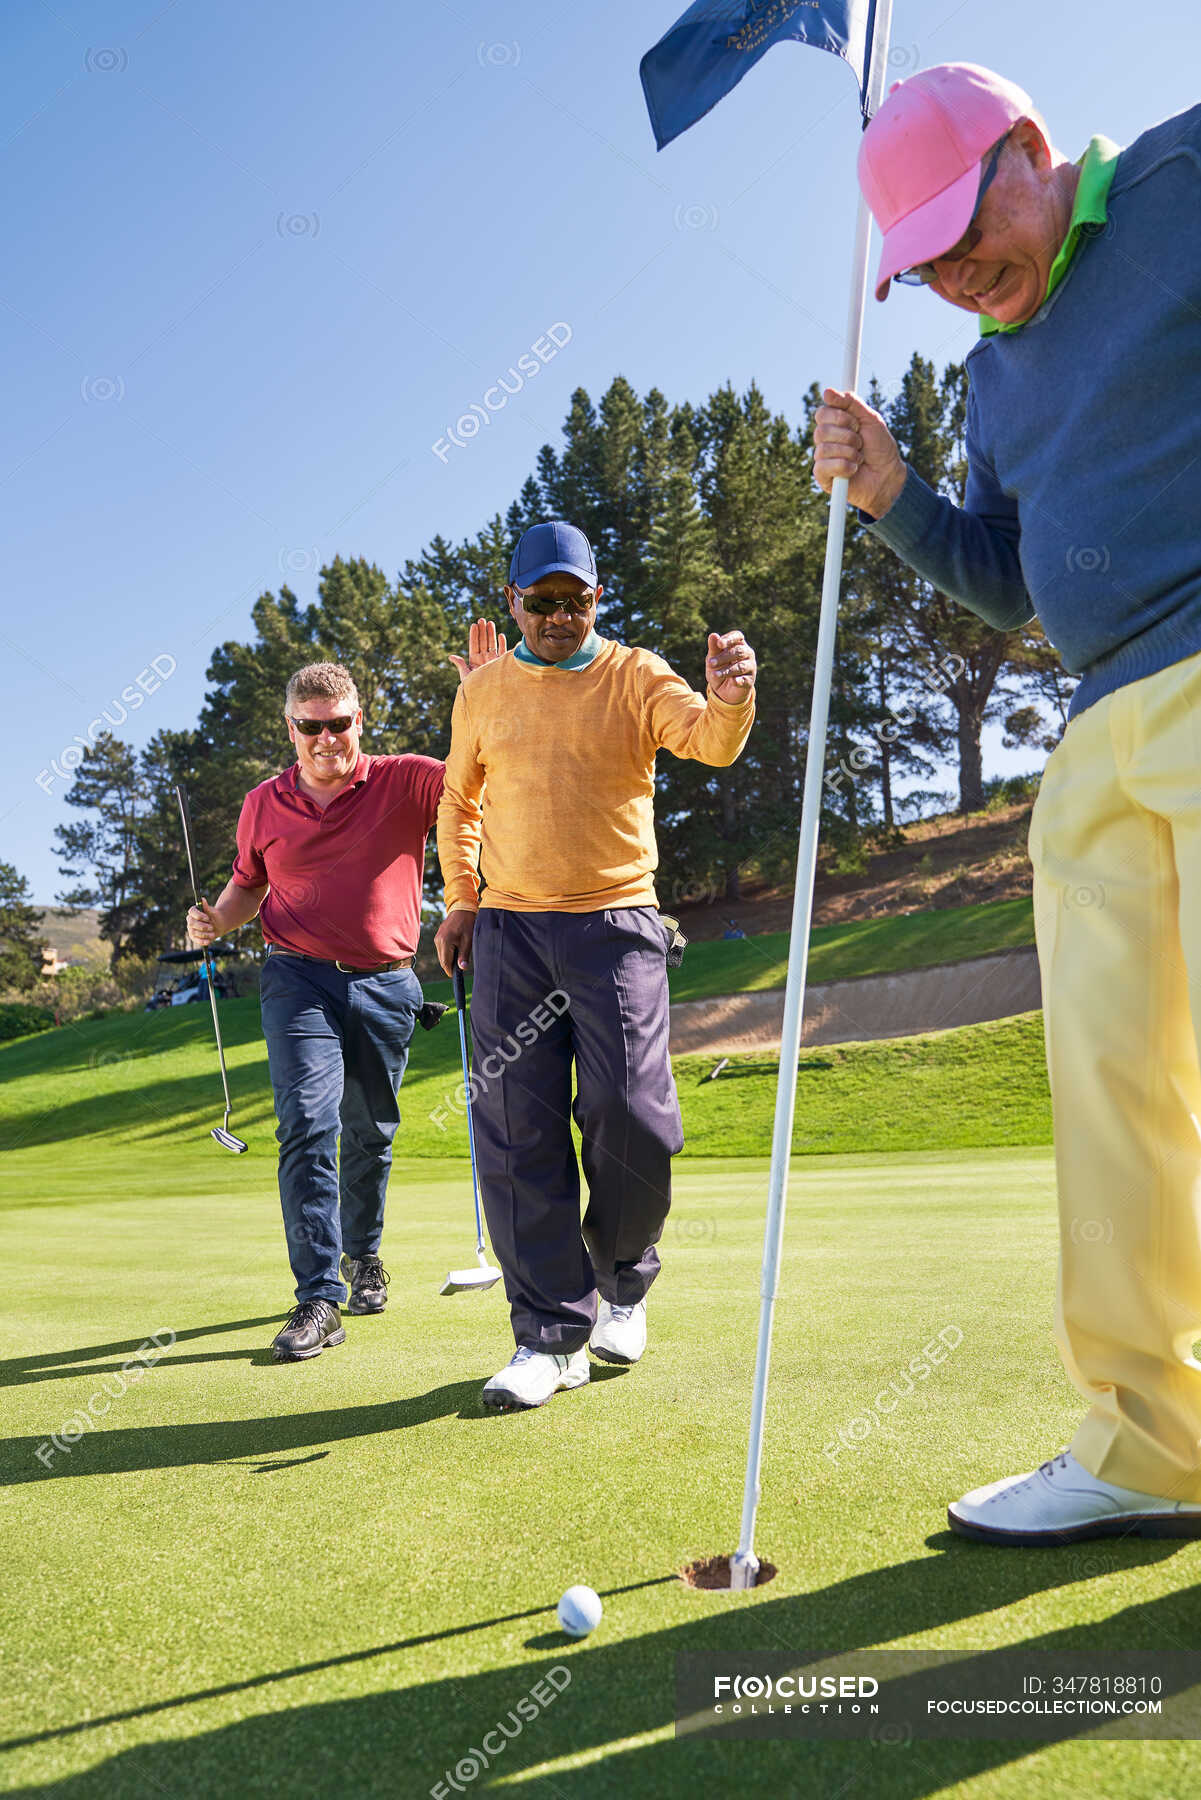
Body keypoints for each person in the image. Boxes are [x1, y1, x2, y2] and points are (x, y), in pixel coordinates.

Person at [814, 63, 1201, 1543]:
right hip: (1095, 727)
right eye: (932, 270)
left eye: (972, 238)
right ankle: (1154, 1445)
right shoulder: (990, 371)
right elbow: (1007, 587)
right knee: (1115, 1111)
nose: (965, 280)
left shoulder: (1177, 185)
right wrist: (898, 493)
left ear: (1033, 150)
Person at [435, 519, 757, 1411]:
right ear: (512, 601)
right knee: (515, 1134)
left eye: (572, 600)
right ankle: (546, 1334)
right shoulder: (483, 692)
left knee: (633, 1115)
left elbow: (710, 741)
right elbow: (459, 800)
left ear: (596, 598)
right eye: (539, 602)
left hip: (616, 923)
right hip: (509, 931)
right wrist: (461, 898)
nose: (556, 616)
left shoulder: (635, 672)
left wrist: (728, 697)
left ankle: (620, 1278)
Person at [187, 661, 444, 1361]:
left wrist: (484, 690)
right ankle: (318, 1297)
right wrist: (217, 919)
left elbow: (485, 778)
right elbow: (247, 886)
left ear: (359, 720)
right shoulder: (262, 804)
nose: (326, 738)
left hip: (388, 983)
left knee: (372, 1131)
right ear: (291, 728)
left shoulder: (410, 779)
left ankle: (364, 1255)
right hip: (297, 978)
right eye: (311, 726)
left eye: (339, 724)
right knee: (306, 1122)